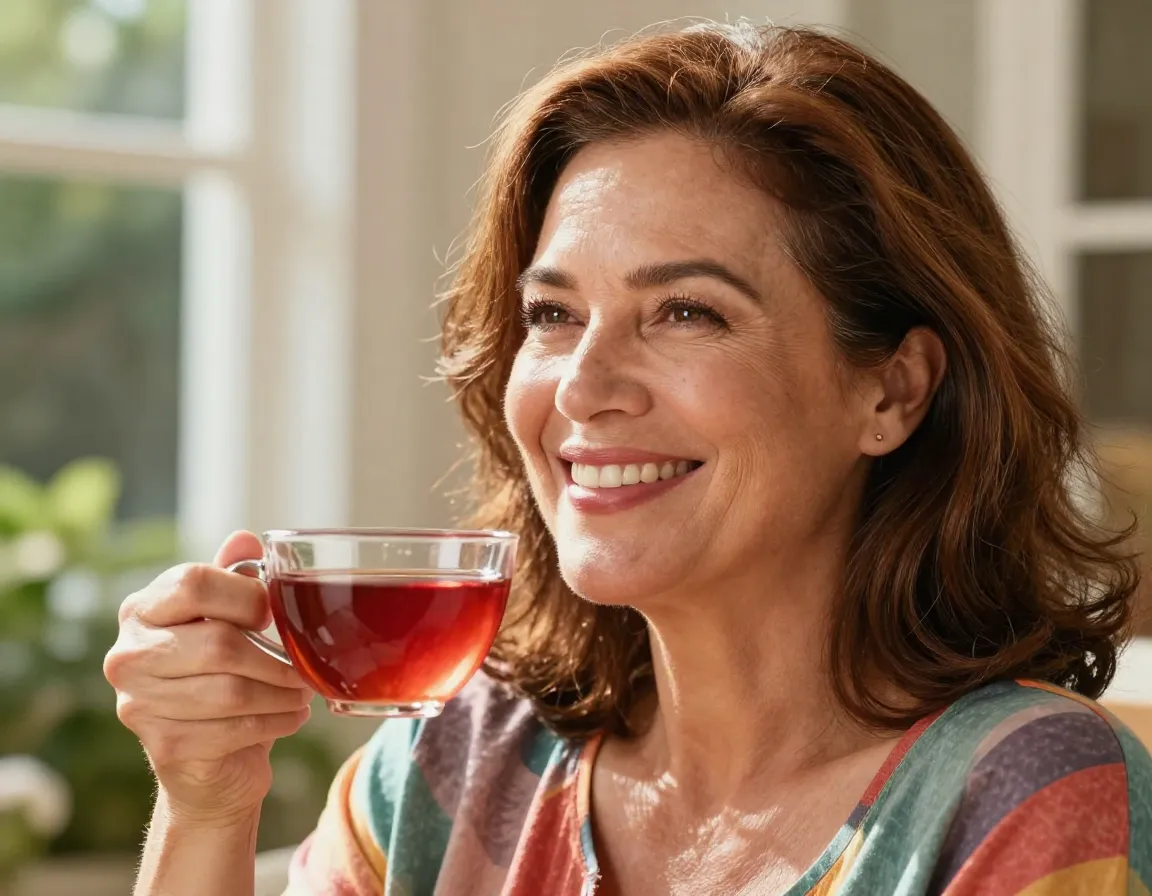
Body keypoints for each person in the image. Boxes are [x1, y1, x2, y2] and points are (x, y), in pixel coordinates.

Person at [104, 22, 1152, 896]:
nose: (583, 384)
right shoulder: (447, 773)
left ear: (892, 389)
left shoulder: (1023, 790)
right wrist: (209, 802)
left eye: (686, 311)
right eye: (553, 314)